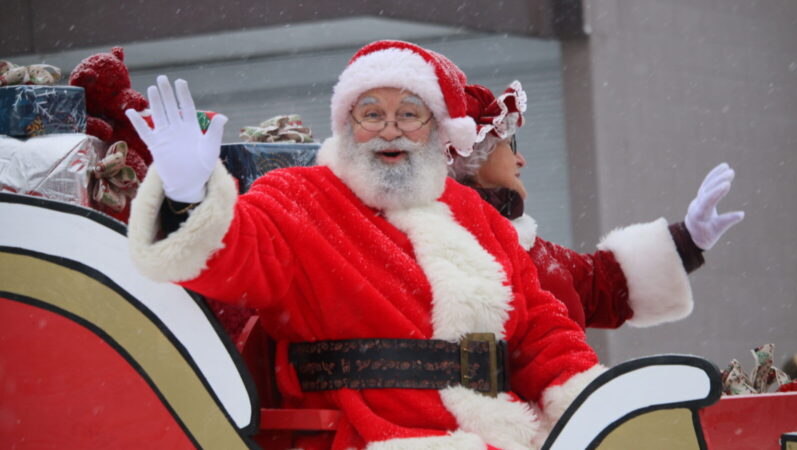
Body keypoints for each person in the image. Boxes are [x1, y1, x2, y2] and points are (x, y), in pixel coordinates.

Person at [125, 40, 604, 449]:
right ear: (346, 125)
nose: (389, 129)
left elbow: (541, 330)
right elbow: (235, 257)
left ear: (436, 129)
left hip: (502, 432)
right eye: (371, 114)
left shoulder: (478, 215)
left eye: (408, 115)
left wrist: (588, 401)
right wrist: (189, 196)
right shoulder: (298, 198)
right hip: (368, 434)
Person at [450, 81, 745, 329]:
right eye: (510, 145)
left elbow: (601, 285)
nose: (521, 159)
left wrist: (688, 238)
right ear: (473, 158)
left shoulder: (530, 248)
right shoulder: (443, 249)